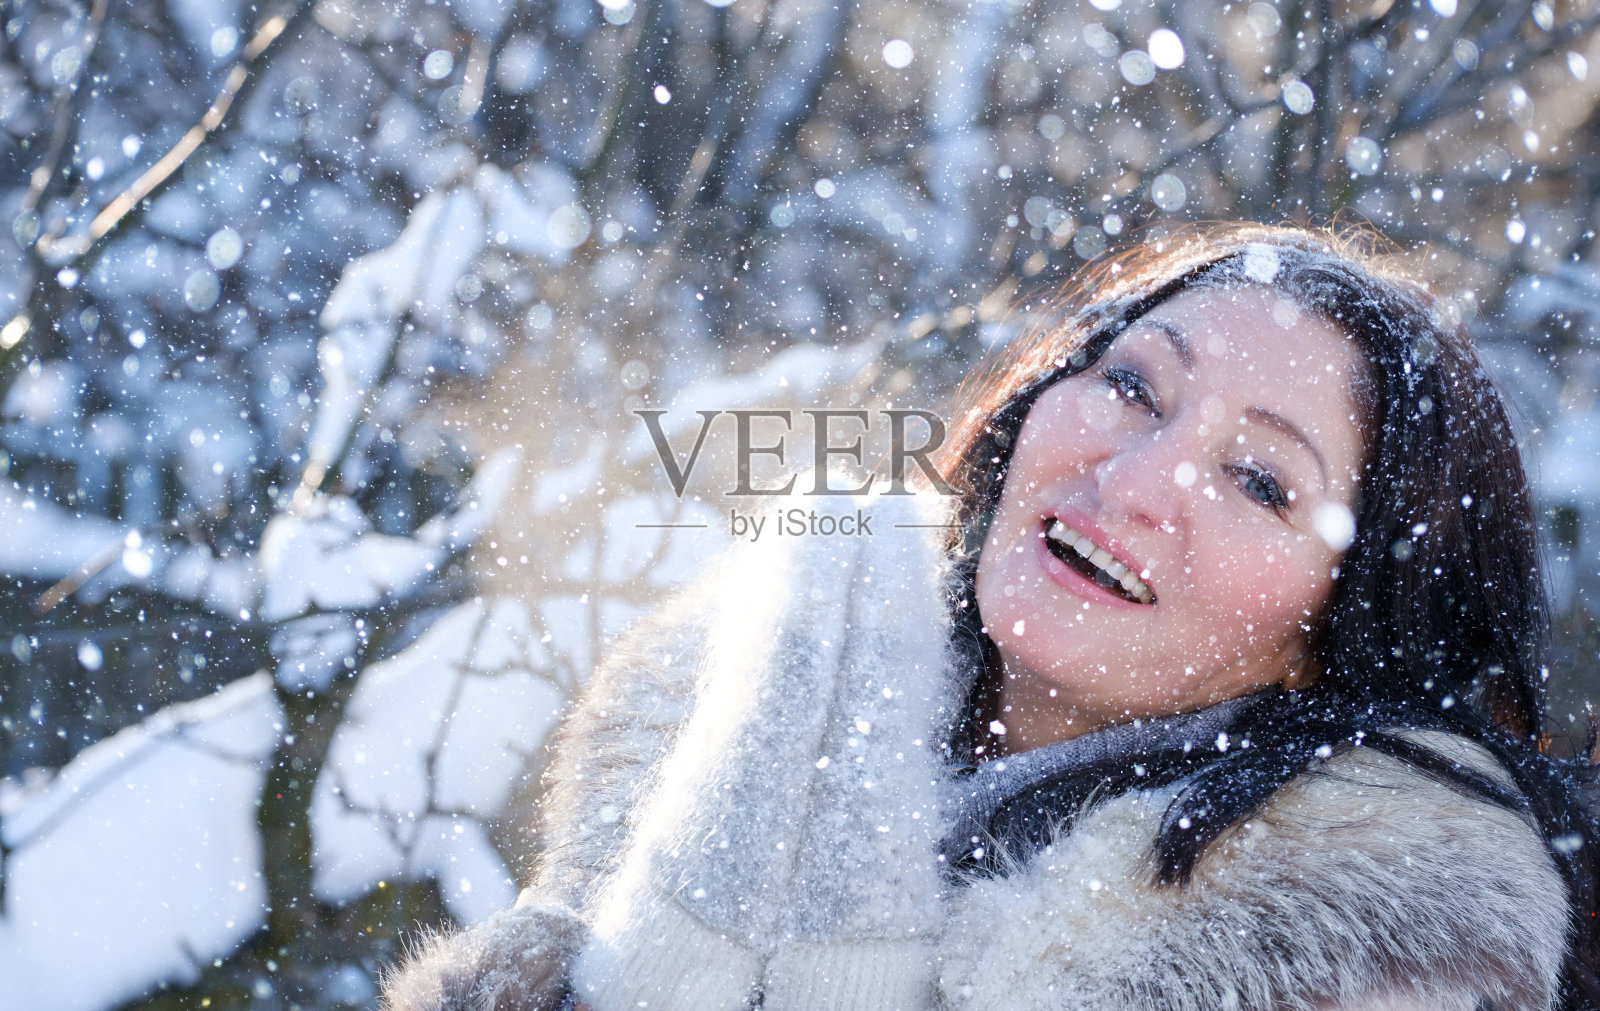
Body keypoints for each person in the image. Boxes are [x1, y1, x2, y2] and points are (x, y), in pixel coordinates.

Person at [382, 223, 1600, 1011]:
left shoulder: (1381, 962)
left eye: (1259, 480)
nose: (1133, 481)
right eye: (1132, 384)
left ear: (1347, 624)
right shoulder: (735, 706)